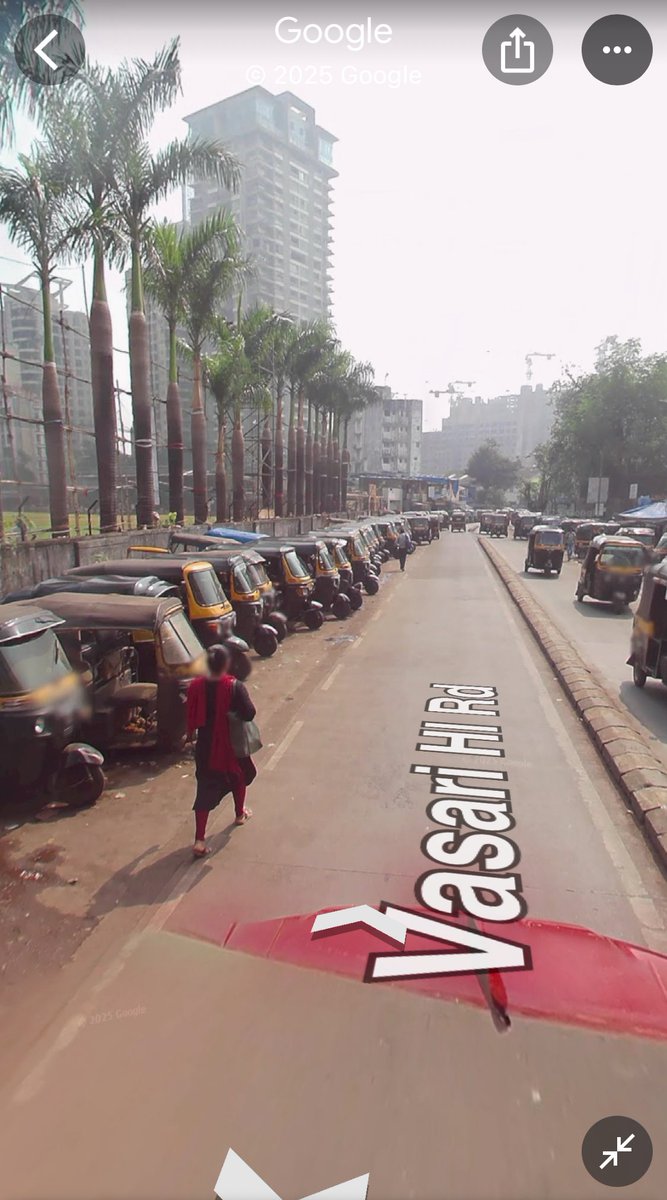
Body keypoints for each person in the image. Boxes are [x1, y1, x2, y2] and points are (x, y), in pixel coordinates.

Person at [186, 644, 257, 857]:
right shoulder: (234, 686)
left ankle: (199, 840)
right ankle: (239, 813)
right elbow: (249, 713)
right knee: (240, 776)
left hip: (205, 747)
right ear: (227, 664)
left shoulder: (196, 686)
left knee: (205, 789)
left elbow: (190, 714)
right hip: (231, 745)